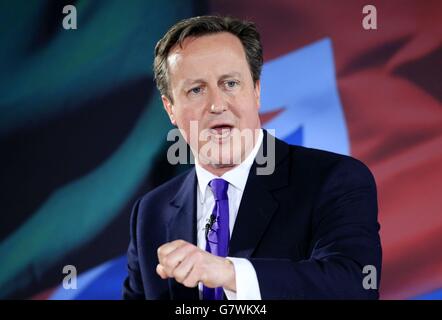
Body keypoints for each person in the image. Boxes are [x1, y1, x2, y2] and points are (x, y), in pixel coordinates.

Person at [122, 15, 382, 300]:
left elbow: (354, 286)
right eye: (196, 90)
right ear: (170, 107)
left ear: (256, 91)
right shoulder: (150, 213)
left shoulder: (333, 180)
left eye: (230, 84)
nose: (217, 104)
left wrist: (229, 273)